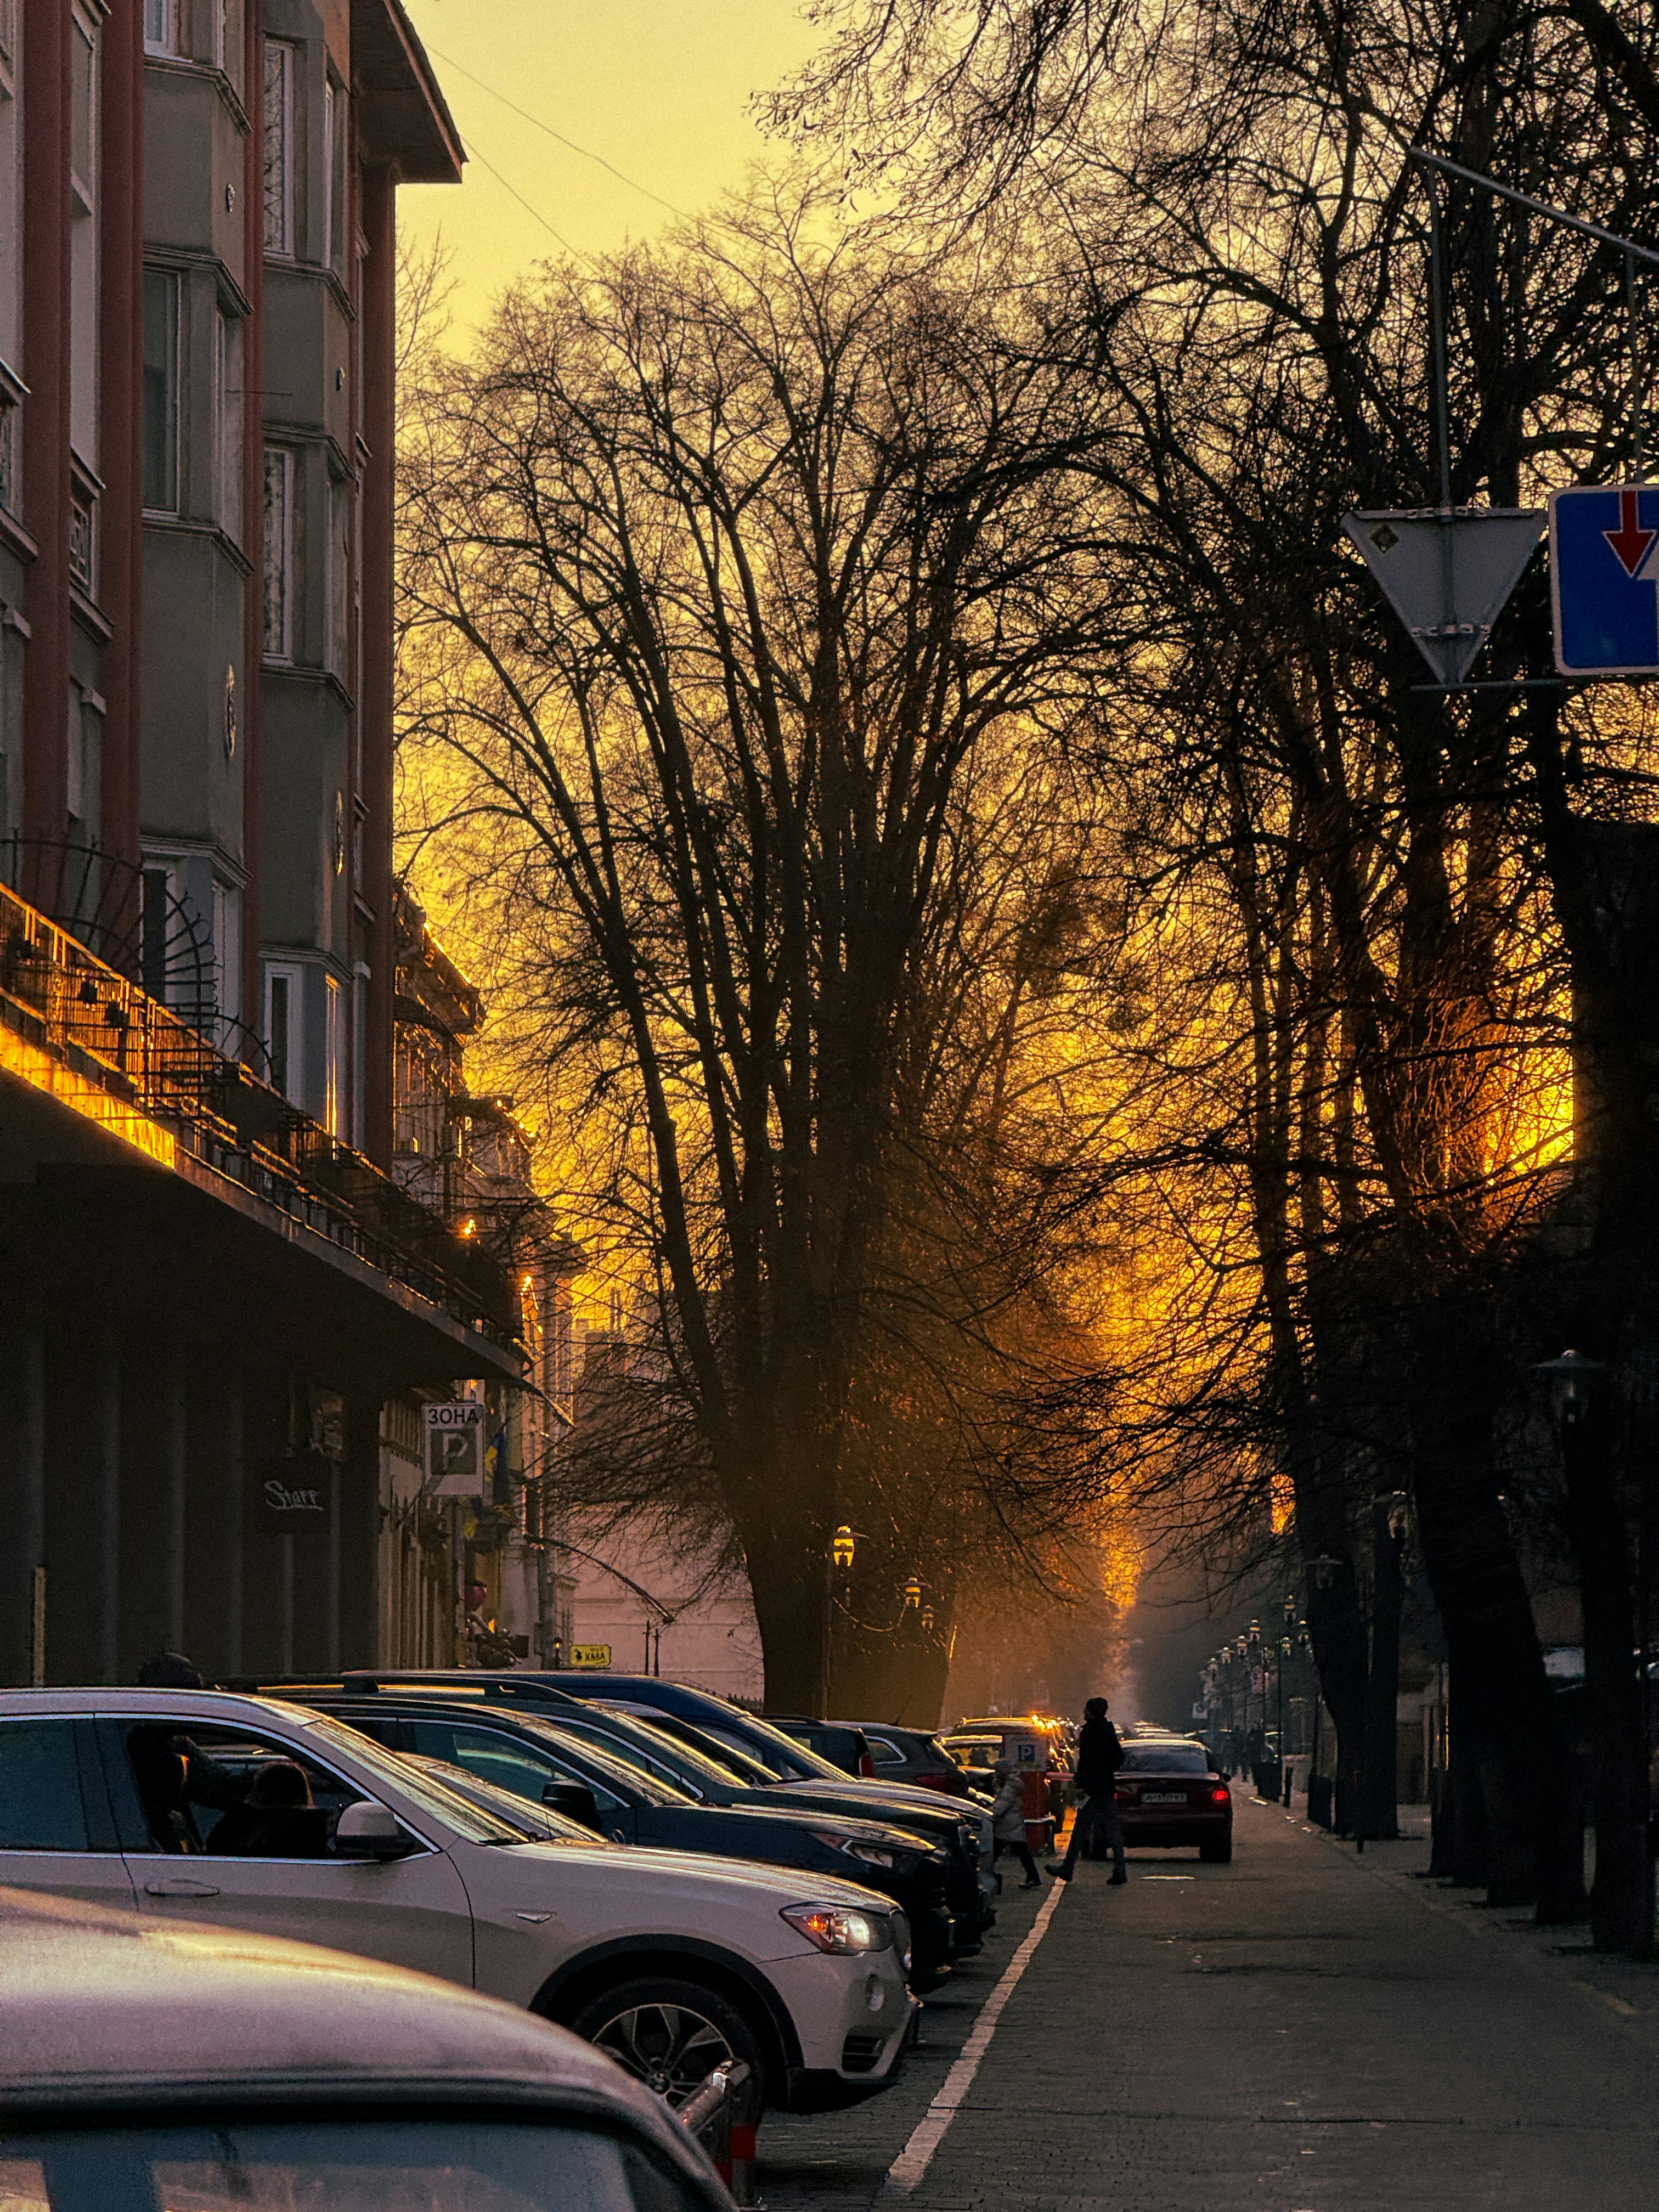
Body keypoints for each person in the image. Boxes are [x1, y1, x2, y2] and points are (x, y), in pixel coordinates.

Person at [1047, 1695, 1127, 1883]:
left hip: (1093, 1789)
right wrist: (1106, 1771)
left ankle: (1068, 1868)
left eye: (1086, 1709)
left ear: (1091, 1712)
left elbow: (1087, 1763)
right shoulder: (1106, 1730)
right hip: (1104, 1787)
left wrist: (1086, 1780)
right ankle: (1119, 1871)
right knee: (1111, 1831)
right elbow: (1118, 1758)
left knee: (1081, 1829)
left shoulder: (1091, 1732)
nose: (1084, 1712)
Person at [989, 1759, 1043, 1889]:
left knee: (996, 1852)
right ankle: (1033, 1877)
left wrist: (988, 1813)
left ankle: (986, 1875)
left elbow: (1002, 1806)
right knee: (1023, 1853)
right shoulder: (1011, 1784)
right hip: (1012, 1824)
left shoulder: (1009, 1787)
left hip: (1007, 1825)